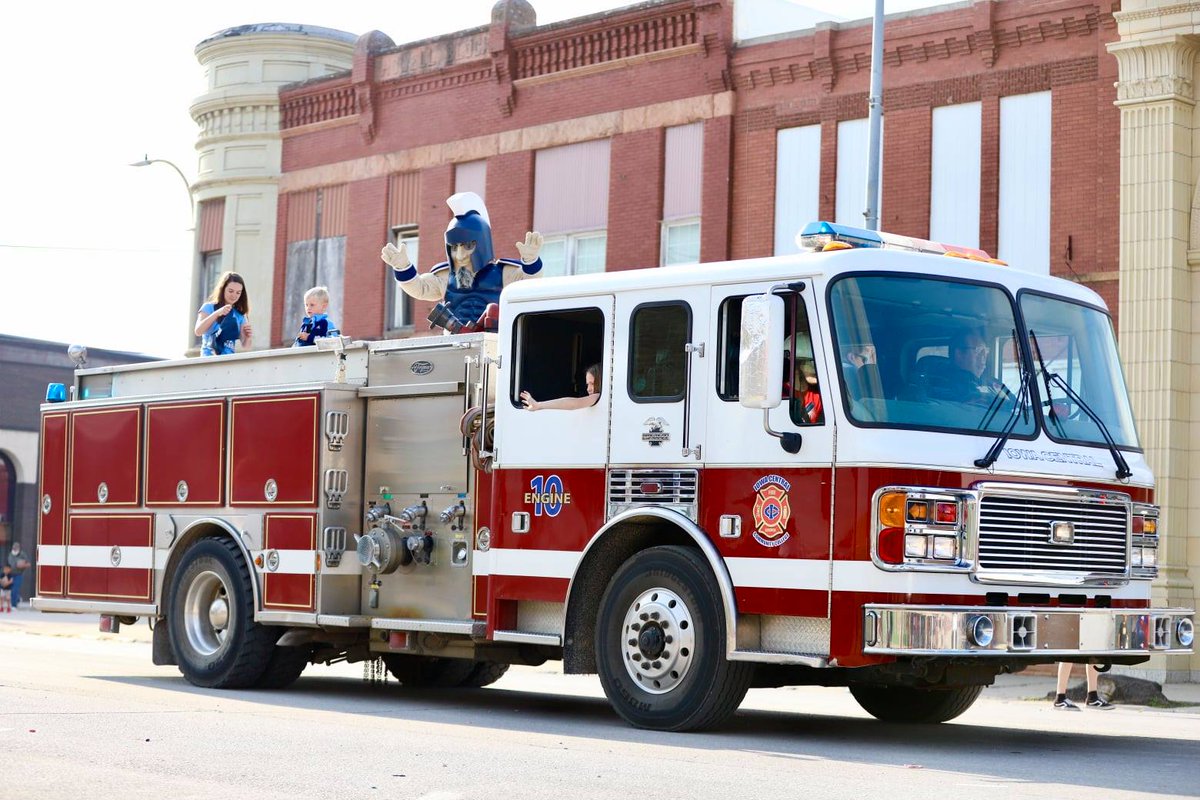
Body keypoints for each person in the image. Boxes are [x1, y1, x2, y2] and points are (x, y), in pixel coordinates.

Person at [381, 192, 543, 332]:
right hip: (455, 346)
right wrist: (402, 267)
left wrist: (530, 260)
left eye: (467, 246)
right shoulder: (444, 276)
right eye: (454, 247)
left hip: (496, 344)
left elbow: (530, 284)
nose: (460, 255)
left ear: (481, 244)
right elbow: (419, 288)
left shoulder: (503, 273)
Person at [926, 328, 1002, 403]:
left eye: (986, 351)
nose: (984, 356)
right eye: (978, 350)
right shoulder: (942, 384)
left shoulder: (991, 381)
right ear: (959, 354)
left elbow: (1012, 403)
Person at [195, 272, 252, 356]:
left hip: (228, 362)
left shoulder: (240, 315)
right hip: (208, 361)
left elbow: (246, 346)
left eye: (238, 292)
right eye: (231, 291)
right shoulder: (208, 307)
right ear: (223, 289)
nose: (234, 295)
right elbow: (198, 331)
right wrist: (217, 313)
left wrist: (248, 336)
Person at [521, 364, 602, 411]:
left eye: (592, 383)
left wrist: (539, 405)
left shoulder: (597, 396)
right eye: (587, 384)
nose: (588, 389)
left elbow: (573, 404)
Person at [5, 540, 30, 608]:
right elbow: (11, 564)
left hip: (19, 574)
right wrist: (17, 564)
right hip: (11, 574)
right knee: (12, 589)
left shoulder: (22, 554)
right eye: (14, 548)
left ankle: (14, 605)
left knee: (15, 589)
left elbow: (28, 564)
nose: (15, 549)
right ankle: (18, 599)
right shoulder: (11, 555)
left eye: (16, 548)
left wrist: (23, 565)